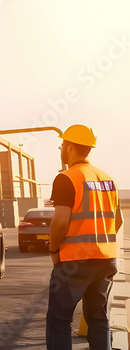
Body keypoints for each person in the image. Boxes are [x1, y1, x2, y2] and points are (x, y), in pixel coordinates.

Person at [46, 124, 123, 350]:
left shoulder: (67, 178)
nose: (61, 148)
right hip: (107, 261)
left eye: (62, 145)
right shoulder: (108, 179)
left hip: (75, 261)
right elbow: (118, 221)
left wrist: (54, 251)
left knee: (59, 319)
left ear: (69, 147)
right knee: (99, 319)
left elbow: (60, 221)